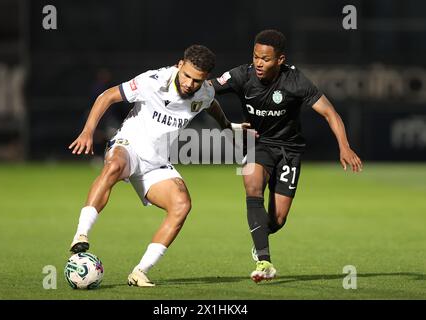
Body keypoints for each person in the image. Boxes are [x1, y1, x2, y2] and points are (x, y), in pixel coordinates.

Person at [68, 45, 243, 287]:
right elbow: (107, 96)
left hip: (156, 162)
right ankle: (81, 233)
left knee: (182, 205)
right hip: (129, 146)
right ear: (179, 65)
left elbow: (211, 105)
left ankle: (140, 271)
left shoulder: (204, 92)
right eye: (187, 76)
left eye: (197, 80)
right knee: (114, 166)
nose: (190, 84)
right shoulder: (152, 81)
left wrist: (225, 125)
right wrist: (88, 131)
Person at [211, 29, 363, 283]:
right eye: (256, 56)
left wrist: (344, 146)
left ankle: (260, 236)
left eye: (266, 59)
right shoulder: (241, 75)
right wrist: (182, 82)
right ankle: (264, 260)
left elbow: (330, 113)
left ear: (280, 60)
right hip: (256, 143)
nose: (259, 63)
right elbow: (207, 88)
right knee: (253, 186)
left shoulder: (296, 81)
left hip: (288, 150)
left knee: (278, 219)